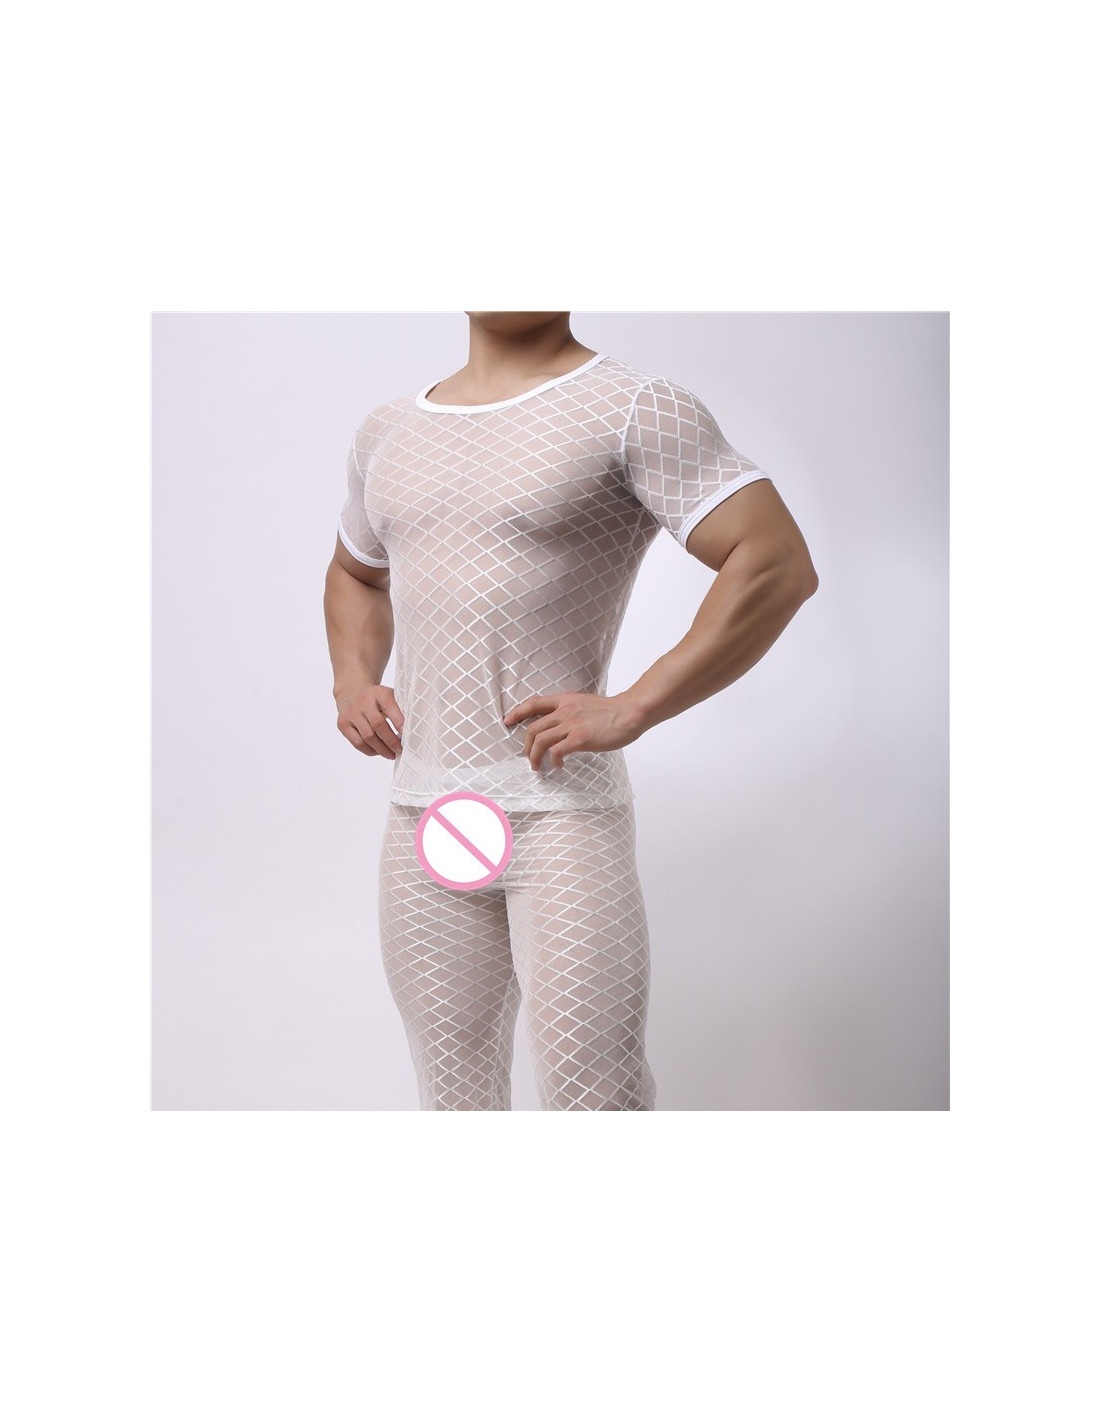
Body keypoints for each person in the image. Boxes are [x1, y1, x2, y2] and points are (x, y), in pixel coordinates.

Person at [323, 312, 818, 1110]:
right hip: (424, 815)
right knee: (452, 1098)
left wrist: (636, 706)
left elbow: (774, 560)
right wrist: (353, 679)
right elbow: (355, 571)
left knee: (595, 1098)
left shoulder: (633, 407)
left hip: (561, 816)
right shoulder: (387, 431)